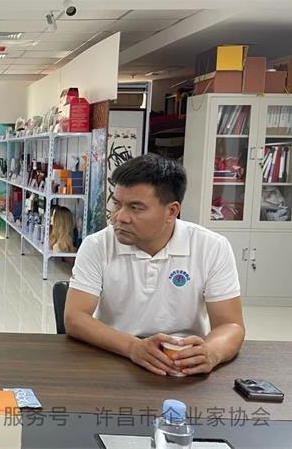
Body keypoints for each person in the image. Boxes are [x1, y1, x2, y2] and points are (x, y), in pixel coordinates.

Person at [64, 154, 244, 376]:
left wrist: (211, 353)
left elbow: (231, 325)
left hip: (182, 364)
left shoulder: (211, 247)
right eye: (116, 204)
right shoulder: (97, 245)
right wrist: (132, 347)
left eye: (136, 208)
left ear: (171, 211)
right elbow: (75, 318)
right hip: (114, 353)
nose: (120, 217)